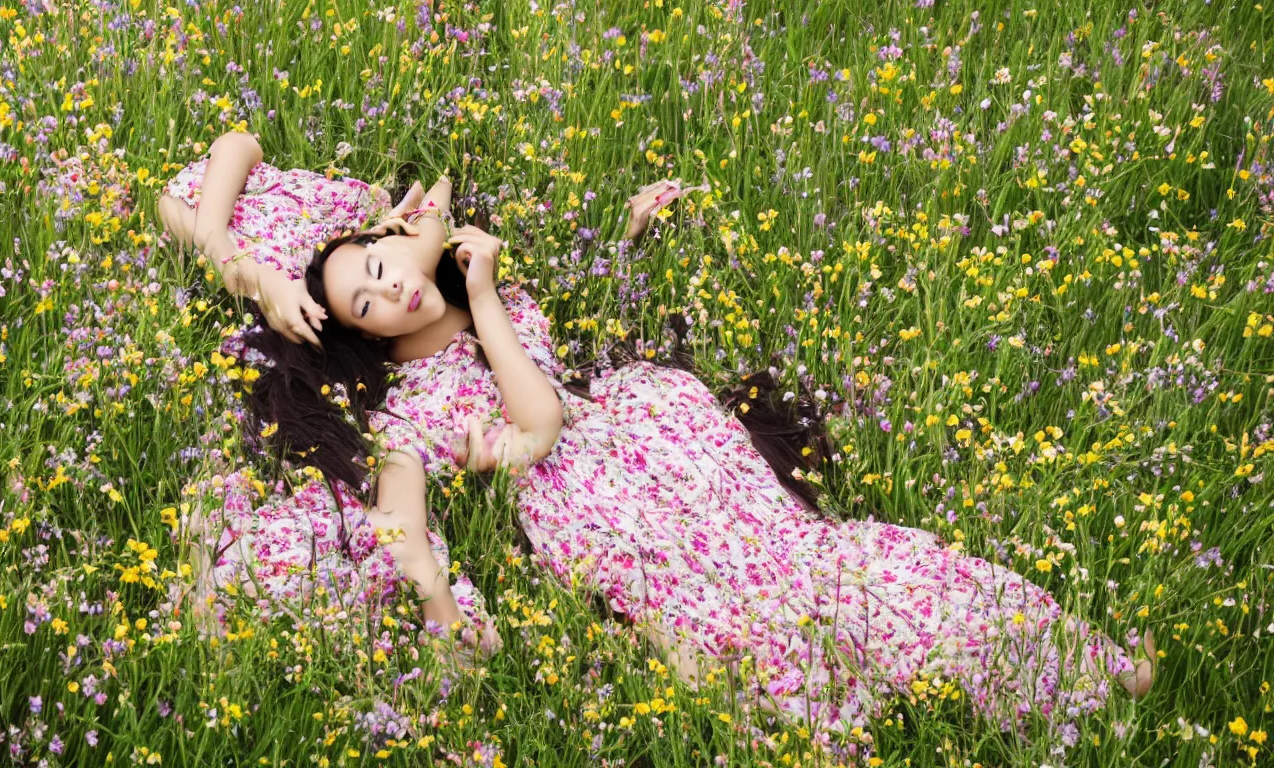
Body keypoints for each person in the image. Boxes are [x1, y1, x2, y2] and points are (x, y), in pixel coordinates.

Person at [160, 132, 1154, 735]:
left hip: (656, 430)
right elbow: (528, 427)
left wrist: (273, 260)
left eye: (378, 264)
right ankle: (920, 688)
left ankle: (1064, 666)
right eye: (366, 305)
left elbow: (236, 157)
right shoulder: (414, 392)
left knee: (812, 562)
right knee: (748, 606)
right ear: (363, 344)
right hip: (589, 494)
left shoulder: (428, 264)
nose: (387, 288)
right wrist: (431, 597)